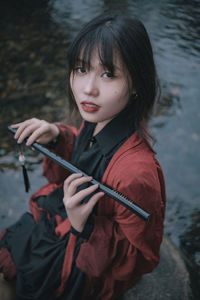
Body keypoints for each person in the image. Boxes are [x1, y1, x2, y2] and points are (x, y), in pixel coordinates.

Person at [0, 14, 166, 300]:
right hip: (66, 226)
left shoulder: (136, 172)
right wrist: (56, 135)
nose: (88, 89)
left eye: (108, 74)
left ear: (137, 83)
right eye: (81, 69)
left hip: (87, 259)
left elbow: (142, 256)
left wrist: (84, 224)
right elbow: (87, 152)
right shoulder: (101, 117)